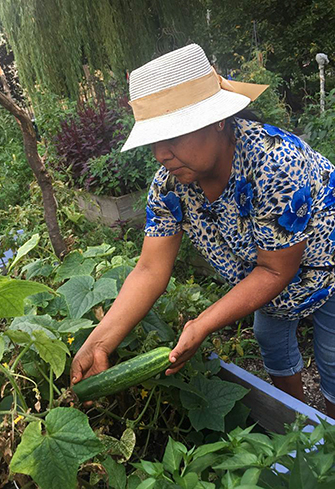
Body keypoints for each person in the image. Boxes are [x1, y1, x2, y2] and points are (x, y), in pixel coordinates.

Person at [70, 44, 335, 417]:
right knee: (272, 344)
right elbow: (149, 269)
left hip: (326, 268)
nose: (161, 153)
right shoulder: (169, 186)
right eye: (153, 141)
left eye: (173, 137)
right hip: (267, 280)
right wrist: (99, 343)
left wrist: (202, 324)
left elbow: (277, 269)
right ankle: (299, 422)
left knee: (332, 357)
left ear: (217, 120)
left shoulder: (275, 161)